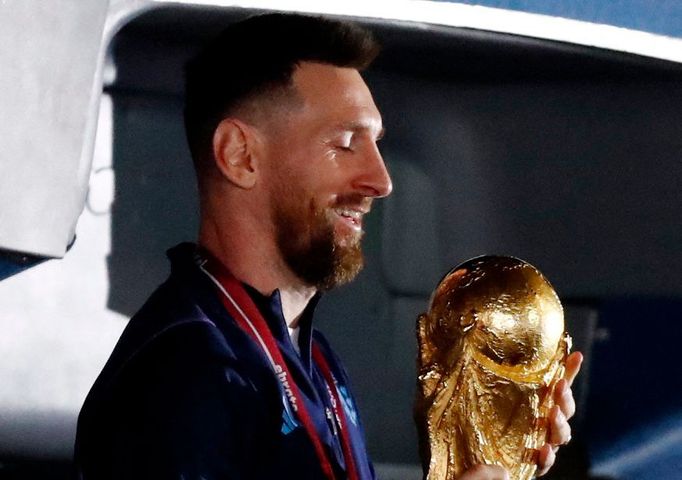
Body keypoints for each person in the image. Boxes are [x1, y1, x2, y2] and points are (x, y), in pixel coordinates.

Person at [74, 13, 581, 480]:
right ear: (240, 155)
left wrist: (462, 450)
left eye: (377, 143)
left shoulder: (313, 359)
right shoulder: (186, 373)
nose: (380, 180)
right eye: (344, 143)